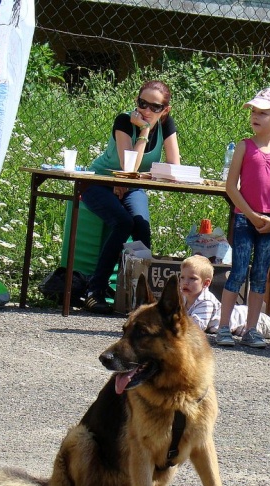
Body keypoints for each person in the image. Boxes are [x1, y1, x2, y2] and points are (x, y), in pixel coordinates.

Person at [82, 80, 181, 314]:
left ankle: (140, 297)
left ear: (165, 110)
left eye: (155, 107)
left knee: (141, 226)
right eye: (142, 103)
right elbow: (129, 167)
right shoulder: (124, 121)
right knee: (123, 222)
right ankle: (94, 290)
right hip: (100, 182)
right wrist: (144, 131)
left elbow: (174, 167)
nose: (147, 110)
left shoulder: (167, 125)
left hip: (132, 186)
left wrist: (137, 178)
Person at [216, 88, 270, 349]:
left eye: (263, 113)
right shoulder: (244, 146)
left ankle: (251, 329)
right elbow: (231, 187)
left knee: (260, 275)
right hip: (244, 219)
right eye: (254, 112)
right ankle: (223, 327)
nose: (255, 117)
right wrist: (250, 214)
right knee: (238, 272)